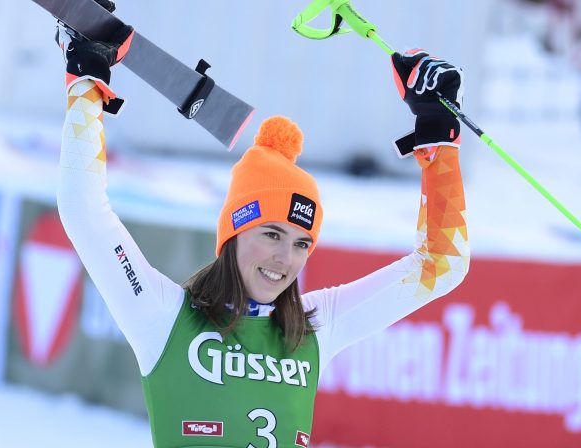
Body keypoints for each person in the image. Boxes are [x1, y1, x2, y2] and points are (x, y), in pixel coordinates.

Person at [55, 3, 469, 447]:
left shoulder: (316, 328)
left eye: (302, 244)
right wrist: (87, 81)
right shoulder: (162, 316)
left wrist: (438, 134)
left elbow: (442, 264)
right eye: (272, 234)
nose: (285, 259)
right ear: (234, 232)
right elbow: (84, 210)